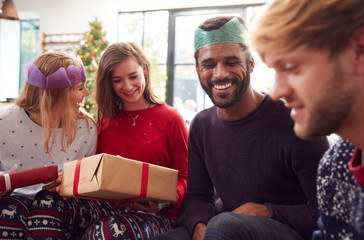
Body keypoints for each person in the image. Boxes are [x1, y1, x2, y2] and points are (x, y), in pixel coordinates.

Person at [157, 16, 330, 240]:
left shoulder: (295, 118)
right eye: (208, 65)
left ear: (250, 63)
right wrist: (199, 226)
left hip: (288, 231)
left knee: (225, 224)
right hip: (224, 229)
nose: (219, 74)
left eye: (231, 62)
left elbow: (329, 212)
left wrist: (268, 211)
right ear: (198, 69)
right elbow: (198, 197)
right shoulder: (201, 125)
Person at [251, 0, 364, 239]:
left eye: (291, 68)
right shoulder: (335, 167)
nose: (277, 92)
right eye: (275, 71)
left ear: (359, 50)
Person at [81, 42, 188, 239]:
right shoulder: (104, 120)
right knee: (51, 206)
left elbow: (185, 177)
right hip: (107, 208)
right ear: (109, 83)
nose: (128, 87)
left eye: (133, 77)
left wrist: (162, 202)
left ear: (145, 70)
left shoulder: (171, 118)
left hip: (156, 214)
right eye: (117, 80)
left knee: (103, 234)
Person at [0, 52, 97, 239]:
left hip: (62, 204)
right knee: (7, 215)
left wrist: (70, 184)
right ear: (56, 95)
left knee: (46, 207)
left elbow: (89, 183)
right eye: (79, 88)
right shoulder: (4, 122)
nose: (86, 94)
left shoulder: (87, 128)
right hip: (14, 199)